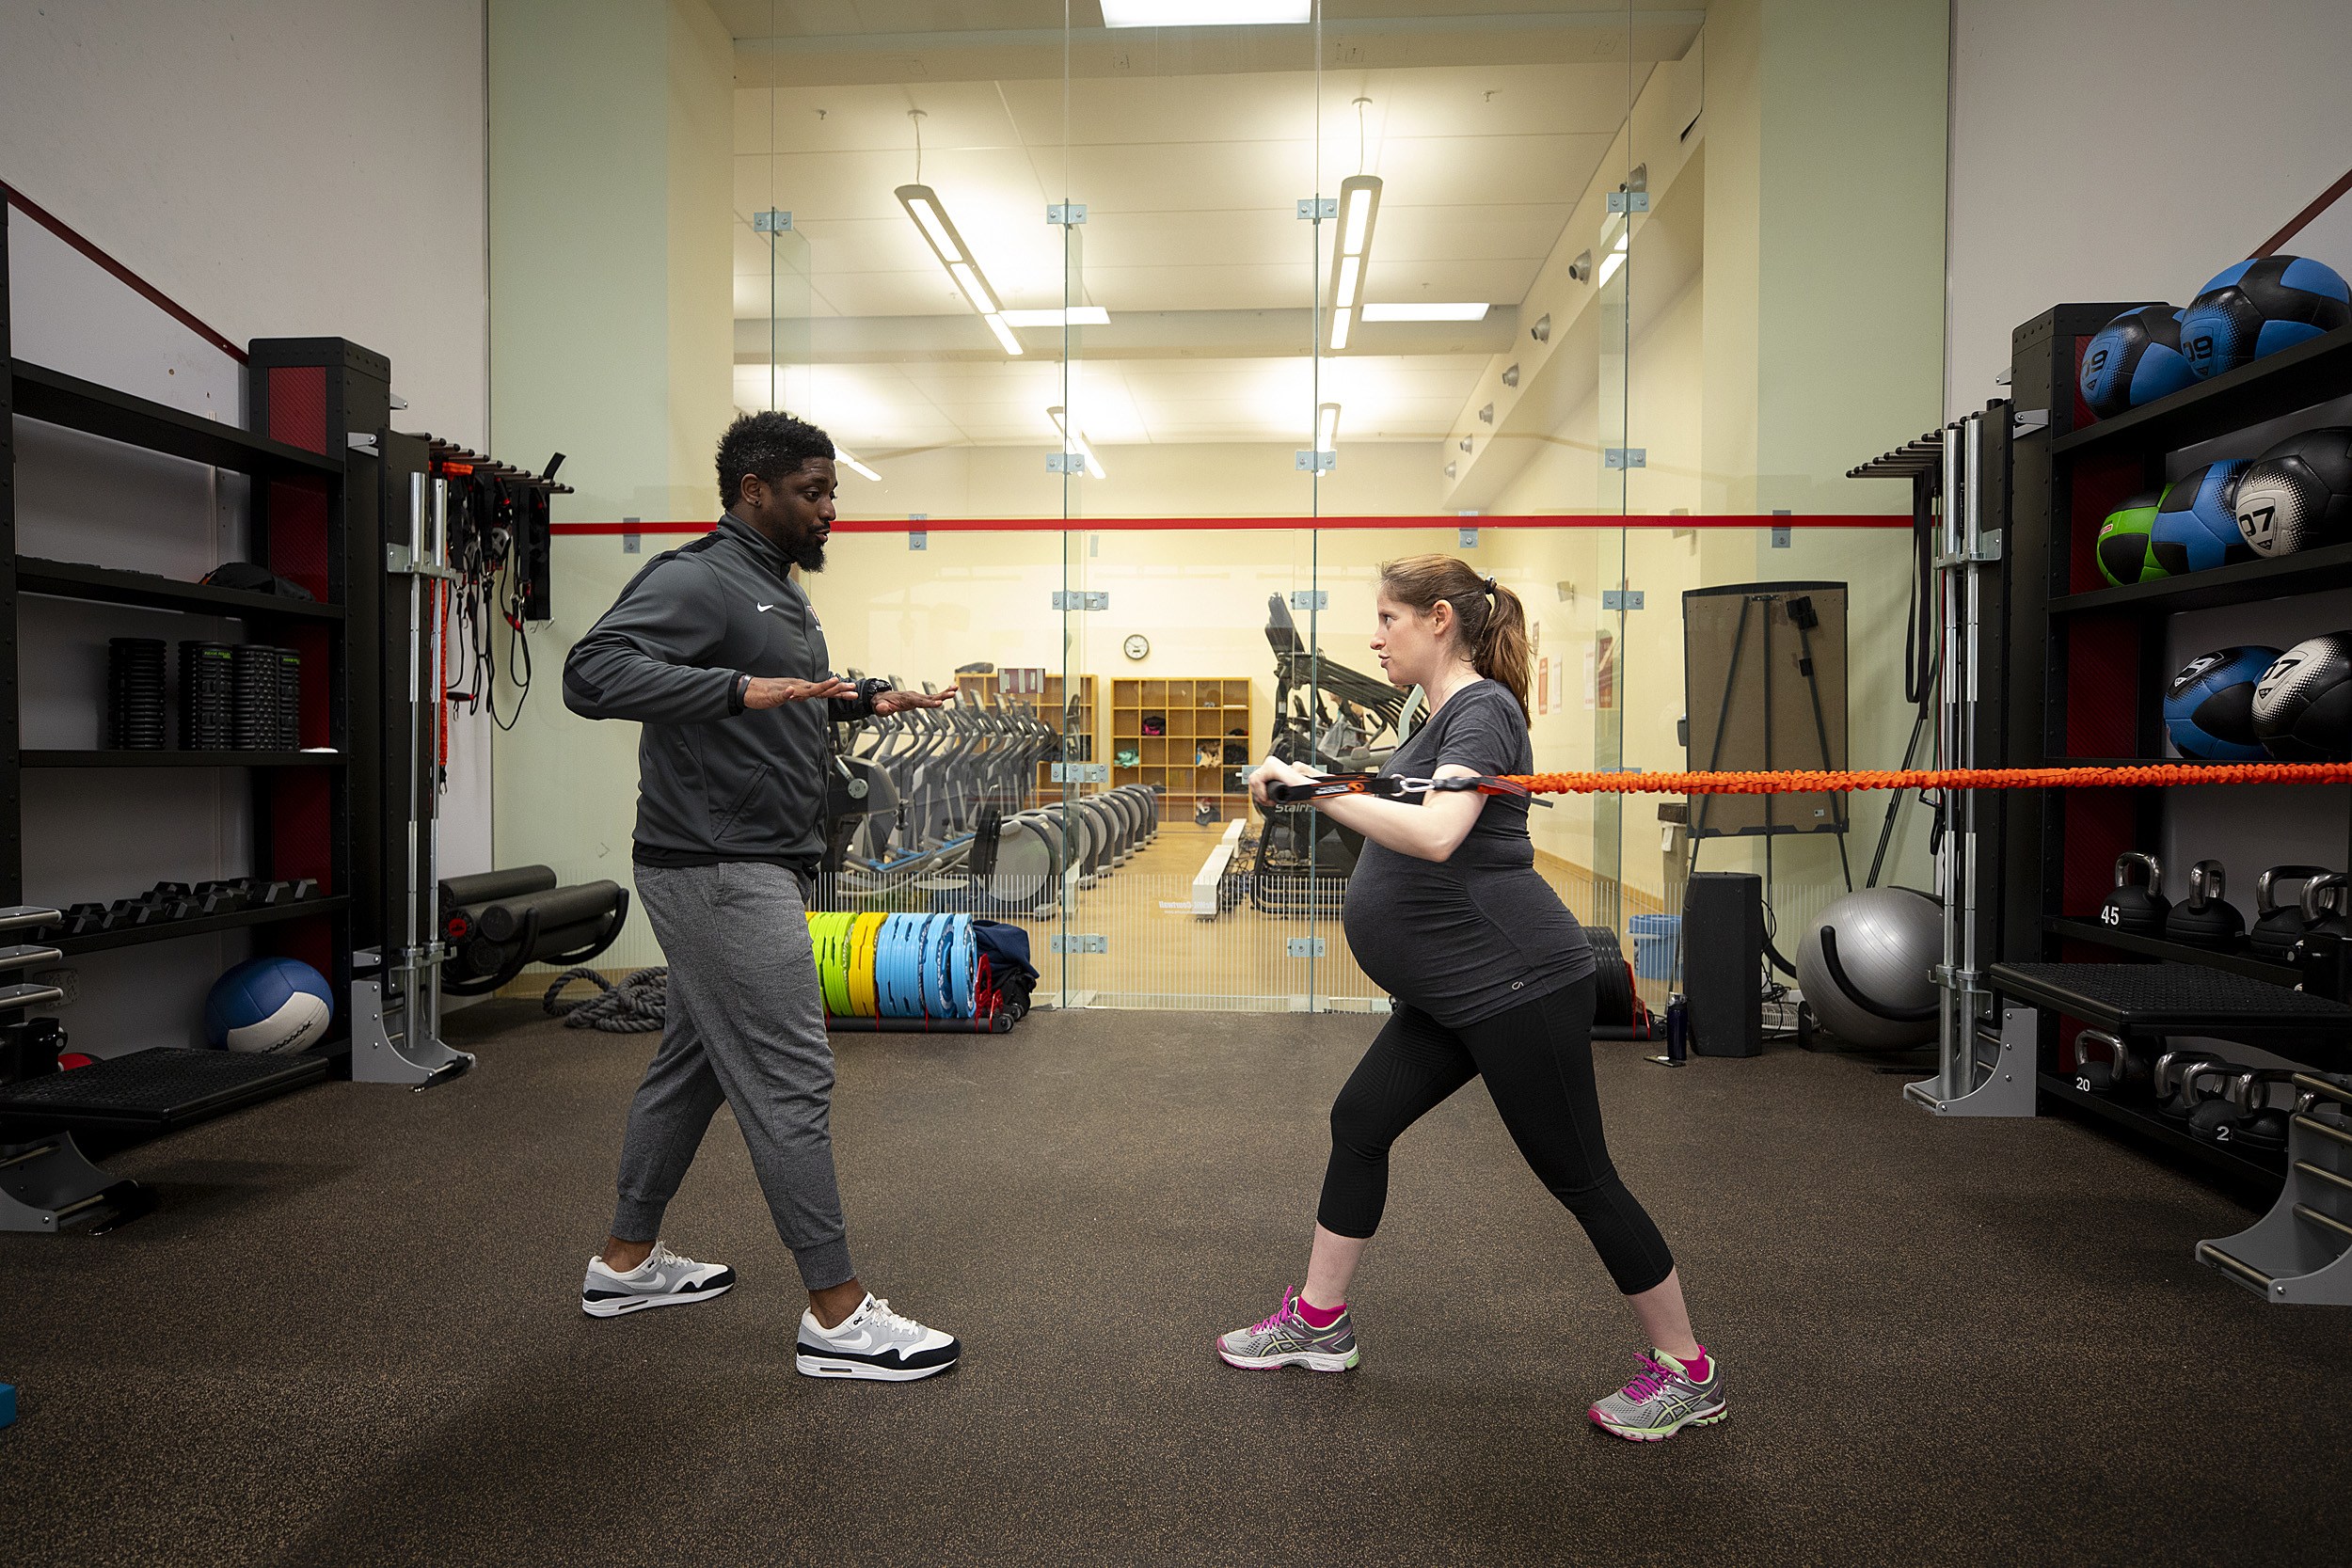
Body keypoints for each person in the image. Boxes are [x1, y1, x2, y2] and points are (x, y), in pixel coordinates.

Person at [1217, 555, 1724, 1442]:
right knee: (1360, 1120)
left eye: (1388, 618)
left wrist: (1318, 786)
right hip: (1456, 989)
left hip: (1516, 984)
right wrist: (1318, 779)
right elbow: (1400, 804)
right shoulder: (1442, 716)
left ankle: (1688, 1370)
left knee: (1581, 1175)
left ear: (1440, 618)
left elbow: (1442, 832)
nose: (1375, 637)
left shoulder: (1482, 708)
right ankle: (1319, 1320)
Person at [562, 409, 961, 1383]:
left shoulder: (771, 590)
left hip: (750, 857)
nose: (830, 511)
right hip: (715, 865)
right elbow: (591, 671)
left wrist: (859, 695)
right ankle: (835, 1314)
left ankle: (624, 1263)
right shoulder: (697, 575)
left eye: (832, 493)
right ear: (755, 492)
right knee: (792, 1074)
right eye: (814, 492)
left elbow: (776, 687)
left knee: (691, 1068)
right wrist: (736, 691)